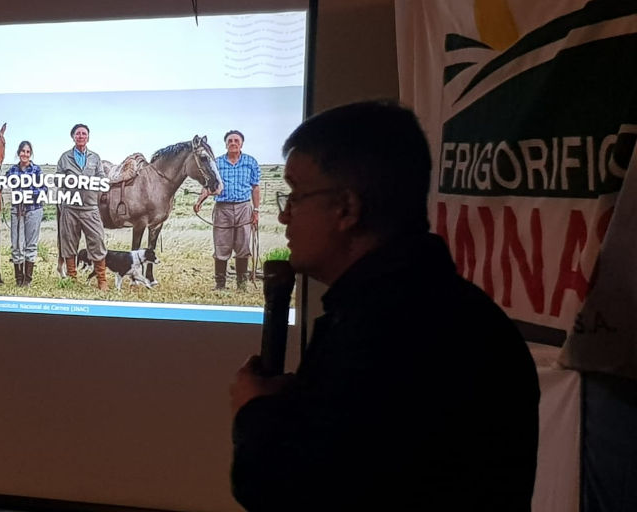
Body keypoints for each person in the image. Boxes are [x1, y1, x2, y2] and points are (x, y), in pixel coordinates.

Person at [229, 101, 539, 511]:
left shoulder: (389, 338)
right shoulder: (446, 310)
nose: (285, 216)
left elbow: (298, 492)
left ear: (347, 208)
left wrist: (256, 412)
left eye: (296, 196)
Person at [194, 130, 260, 291]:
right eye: (230, 140)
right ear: (225, 144)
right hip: (222, 208)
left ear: (241, 143)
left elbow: (255, 187)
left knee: (243, 246)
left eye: (236, 140)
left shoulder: (251, 162)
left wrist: (256, 210)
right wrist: (199, 201)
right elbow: (210, 185)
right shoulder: (217, 163)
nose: (233, 143)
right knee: (221, 245)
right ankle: (220, 285)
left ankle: (241, 285)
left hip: (244, 207)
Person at [57, 123, 108, 291]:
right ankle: (72, 278)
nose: (80, 136)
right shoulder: (65, 157)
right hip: (70, 207)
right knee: (69, 242)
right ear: (73, 137)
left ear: (88, 137)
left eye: (84, 134)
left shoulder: (95, 158)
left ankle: (102, 279)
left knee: (97, 240)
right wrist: (70, 181)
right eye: (77, 134)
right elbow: (57, 179)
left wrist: (94, 182)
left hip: (90, 207)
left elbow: (101, 178)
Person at [6, 141, 45, 287]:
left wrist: (28, 194)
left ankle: (27, 279)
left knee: (31, 244)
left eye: (28, 152)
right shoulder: (12, 171)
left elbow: (43, 189)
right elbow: (3, 182)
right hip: (17, 210)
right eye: (22, 151)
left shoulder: (36, 170)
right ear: (18, 153)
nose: (25, 154)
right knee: (16, 244)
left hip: (33, 209)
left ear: (31, 154)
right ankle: (18, 277)